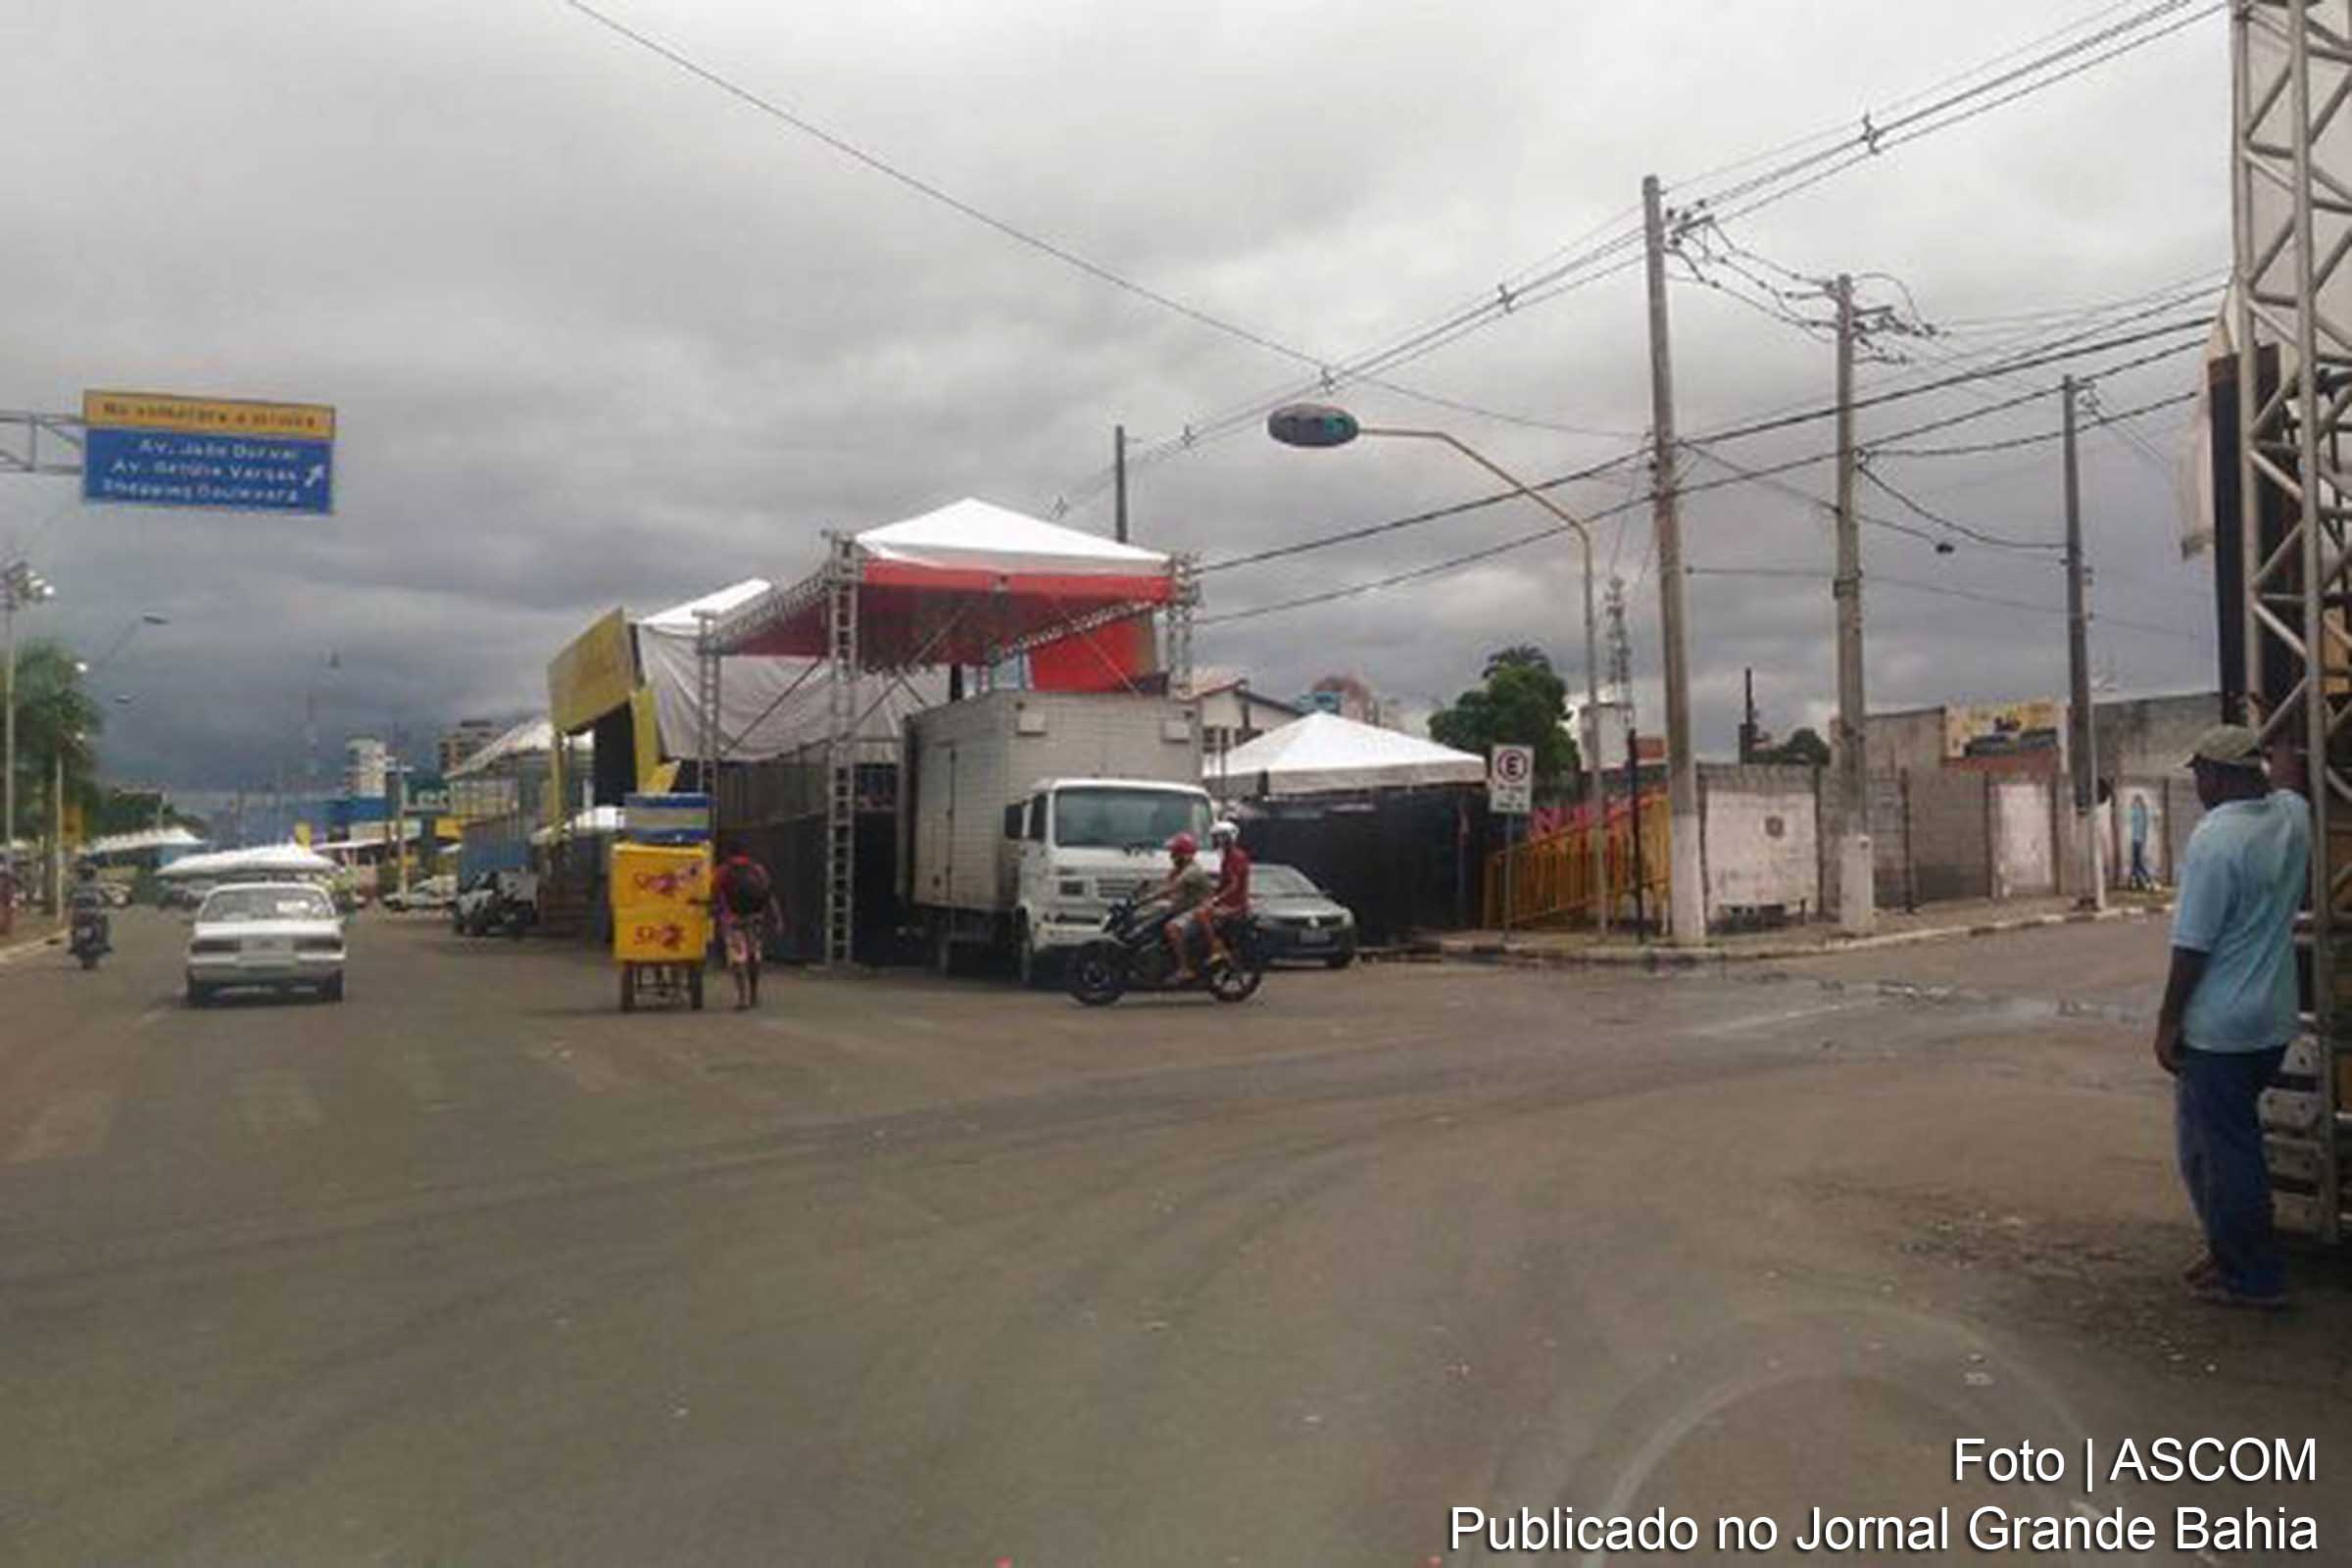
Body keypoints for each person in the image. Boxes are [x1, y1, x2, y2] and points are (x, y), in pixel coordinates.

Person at [2153, 723, 2309, 1309]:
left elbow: (2192, 946)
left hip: (2220, 1030)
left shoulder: (2215, 840)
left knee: (2226, 1153)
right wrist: (2283, 749)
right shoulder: (2292, 821)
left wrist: (2168, 1022)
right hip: (2270, 1021)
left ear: (2218, 776)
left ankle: (2254, 1276)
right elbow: (2291, 779)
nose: (2196, 782)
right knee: (2204, 1145)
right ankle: (2227, 1252)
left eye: (2199, 772)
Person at [711, 848, 783, 1010]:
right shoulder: (757, 869)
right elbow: (769, 895)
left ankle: (742, 997)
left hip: (733, 920)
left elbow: (714, 894)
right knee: (754, 955)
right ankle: (754, 994)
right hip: (755, 918)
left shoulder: (723, 870)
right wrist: (778, 918)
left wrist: (716, 916)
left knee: (738, 958)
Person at [1154, 832, 1216, 982]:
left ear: (1183, 854)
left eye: (1174, 852)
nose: (1171, 856)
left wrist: (1155, 895)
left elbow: (1173, 887)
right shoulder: (1178, 869)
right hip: (1183, 908)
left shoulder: (1192, 871)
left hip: (1196, 909)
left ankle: (1184, 968)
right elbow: (1166, 885)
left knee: (1172, 928)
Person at [1194, 819, 1251, 971]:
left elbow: (1234, 885)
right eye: (1216, 837)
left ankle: (1216, 949)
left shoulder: (1236, 857)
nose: (1217, 840)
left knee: (1201, 914)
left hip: (1235, 906)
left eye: (1220, 837)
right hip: (1226, 903)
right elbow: (1222, 884)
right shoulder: (1226, 857)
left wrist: (1216, 899)